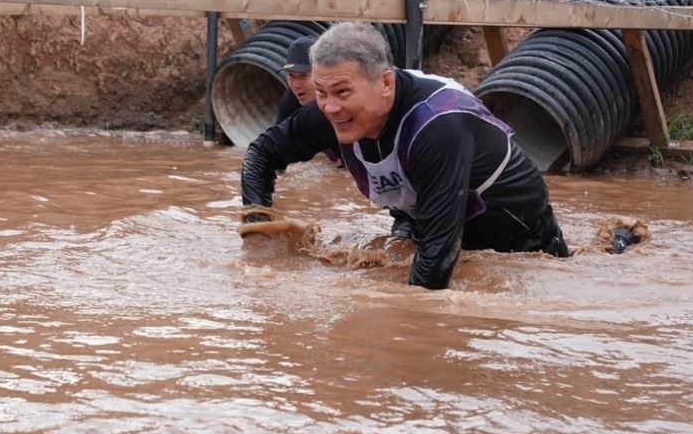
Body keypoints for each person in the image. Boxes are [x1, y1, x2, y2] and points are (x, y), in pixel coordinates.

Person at [241, 22, 570, 290]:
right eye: (322, 93)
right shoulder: (328, 112)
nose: (330, 107)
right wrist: (261, 237)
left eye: (342, 92)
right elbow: (261, 154)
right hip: (422, 218)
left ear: (385, 82)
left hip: (522, 243)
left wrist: (406, 334)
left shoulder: (438, 126)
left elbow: (437, 262)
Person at [275, 34, 415, 239]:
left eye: (303, 76)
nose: (296, 85)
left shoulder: (365, 105)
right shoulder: (292, 100)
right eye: (291, 76)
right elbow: (277, 151)